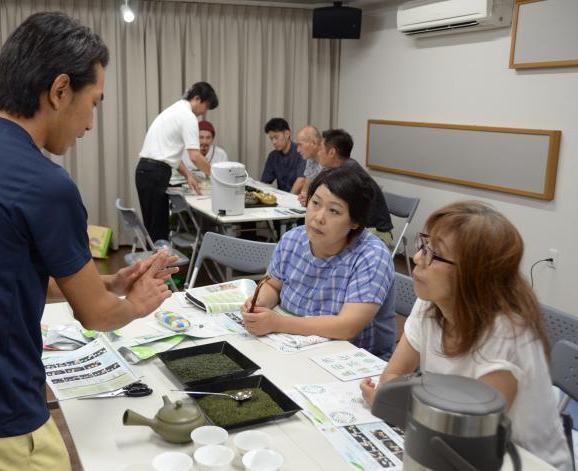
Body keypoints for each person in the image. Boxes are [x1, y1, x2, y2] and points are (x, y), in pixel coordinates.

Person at [0, 12, 176, 469]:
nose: (90, 123)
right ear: (60, 90)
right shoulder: (45, 184)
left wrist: (105, 283)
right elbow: (97, 318)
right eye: (95, 101)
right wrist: (137, 303)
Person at [360, 201, 572, 470]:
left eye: (434, 255)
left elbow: (472, 438)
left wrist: (393, 404)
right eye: (423, 245)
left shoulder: (507, 336)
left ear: (474, 274)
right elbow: (392, 378)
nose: (416, 259)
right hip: (451, 444)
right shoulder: (431, 302)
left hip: (518, 460)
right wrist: (394, 401)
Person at [241, 166, 396, 358]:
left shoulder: (371, 256)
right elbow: (272, 285)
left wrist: (276, 323)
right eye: (315, 203)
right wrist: (259, 305)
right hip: (292, 346)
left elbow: (347, 327)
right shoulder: (293, 239)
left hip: (352, 359)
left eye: (334, 211)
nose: (319, 217)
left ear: (355, 222)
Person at [136, 82, 219, 241]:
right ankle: (158, 265)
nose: (205, 112)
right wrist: (216, 176)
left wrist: (188, 175)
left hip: (145, 171)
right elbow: (195, 157)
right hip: (155, 174)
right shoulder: (187, 116)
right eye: (206, 106)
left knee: (154, 228)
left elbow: (169, 154)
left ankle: (154, 264)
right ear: (197, 98)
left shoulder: (174, 110)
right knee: (159, 232)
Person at [317, 129, 393, 246]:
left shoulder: (350, 175)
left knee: (327, 241)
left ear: (332, 152)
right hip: (358, 226)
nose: (318, 152)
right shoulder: (343, 167)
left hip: (376, 232)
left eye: (321, 148)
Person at [260, 118, 305, 194]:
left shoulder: (301, 152)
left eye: (276, 137)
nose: (274, 142)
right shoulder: (273, 156)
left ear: (287, 134)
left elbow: (301, 180)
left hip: (298, 199)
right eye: (271, 138)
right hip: (282, 197)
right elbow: (265, 182)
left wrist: (288, 199)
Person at [295, 125, 323, 205]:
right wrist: (303, 197)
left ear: (313, 143)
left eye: (300, 145)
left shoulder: (328, 161)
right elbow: (306, 189)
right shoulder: (311, 158)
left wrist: (310, 199)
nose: (297, 150)